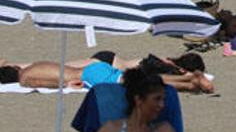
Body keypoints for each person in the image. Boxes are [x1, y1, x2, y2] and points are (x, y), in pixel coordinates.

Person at [6, 51, 214, 93]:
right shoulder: (32, 65)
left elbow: (39, 82)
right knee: (136, 80)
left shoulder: (25, 77)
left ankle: (188, 83)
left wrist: (65, 85)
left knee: (137, 83)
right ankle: (188, 82)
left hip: (87, 76)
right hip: (92, 69)